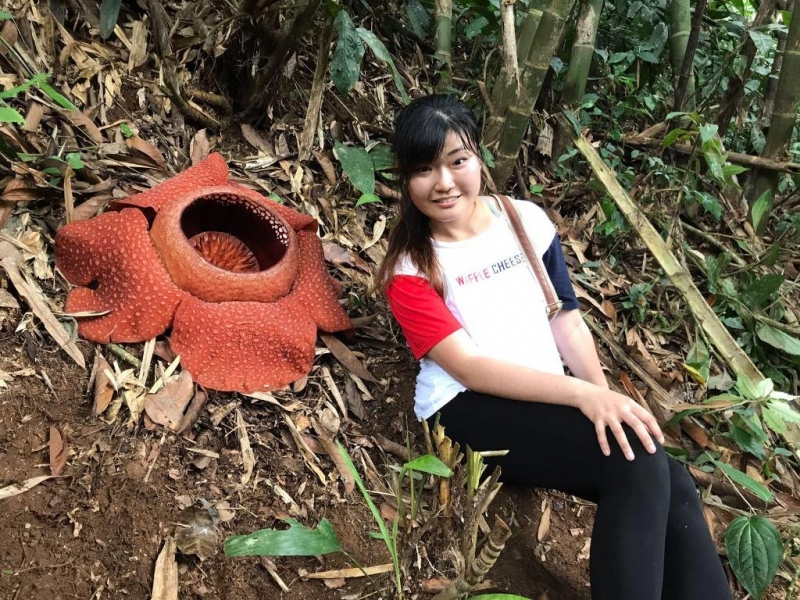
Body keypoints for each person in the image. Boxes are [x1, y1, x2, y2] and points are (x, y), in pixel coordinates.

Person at [377, 94, 732, 600]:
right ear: (405, 177)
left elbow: (566, 321)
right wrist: (581, 397)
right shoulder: (410, 268)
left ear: (478, 156)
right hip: (465, 408)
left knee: (662, 468)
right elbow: (470, 367)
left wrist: (608, 401)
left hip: (542, 395)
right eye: (423, 169)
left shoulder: (524, 221)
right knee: (638, 463)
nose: (444, 183)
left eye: (457, 161)